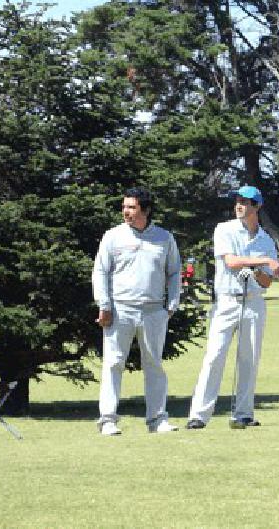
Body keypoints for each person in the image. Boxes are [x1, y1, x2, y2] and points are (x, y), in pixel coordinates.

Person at [186, 186, 279, 430]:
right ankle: (199, 415)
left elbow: (267, 281)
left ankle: (244, 414)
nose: (240, 205)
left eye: (246, 202)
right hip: (227, 301)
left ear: (257, 207)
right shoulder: (224, 229)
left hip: (253, 302)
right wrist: (264, 261)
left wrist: (262, 270)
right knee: (214, 356)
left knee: (249, 359)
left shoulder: (266, 240)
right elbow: (231, 261)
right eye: (238, 201)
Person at [92, 187, 182, 436]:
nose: (126, 212)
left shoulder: (164, 238)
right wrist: (104, 305)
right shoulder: (113, 236)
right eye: (124, 207)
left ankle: (157, 419)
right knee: (113, 363)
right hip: (119, 310)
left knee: (154, 364)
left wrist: (171, 305)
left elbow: (175, 271)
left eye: (131, 207)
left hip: (154, 311)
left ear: (145, 210)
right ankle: (108, 420)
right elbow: (100, 271)